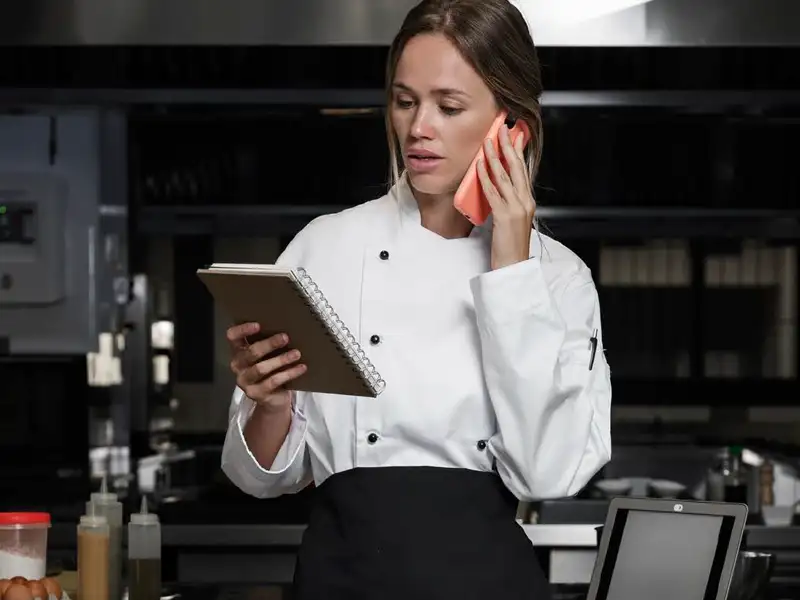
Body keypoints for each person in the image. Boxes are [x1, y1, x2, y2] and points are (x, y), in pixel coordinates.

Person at [221, 0, 612, 598]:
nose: (418, 127)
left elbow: (546, 473)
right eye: (405, 102)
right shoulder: (323, 249)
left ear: (511, 125)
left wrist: (510, 269)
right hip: (339, 579)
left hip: (485, 583)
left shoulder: (557, 278)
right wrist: (268, 404)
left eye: (448, 107)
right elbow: (263, 479)